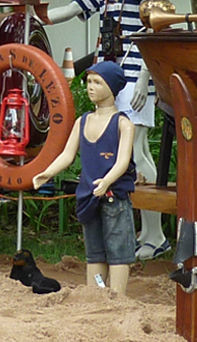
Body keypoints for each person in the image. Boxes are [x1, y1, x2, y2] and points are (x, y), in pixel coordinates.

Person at [44, 0, 171, 261]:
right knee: (126, 152)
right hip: (110, 77)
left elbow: (156, 27)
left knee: (137, 151)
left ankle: (156, 234)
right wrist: (35, 15)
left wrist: (145, 75)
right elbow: (74, 8)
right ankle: (149, 232)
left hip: (134, 76)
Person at [32, 60, 138, 296]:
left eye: (98, 82)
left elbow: (123, 162)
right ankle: (95, 294)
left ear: (112, 87)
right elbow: (67, 155)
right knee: (95, 252)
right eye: (89, 81)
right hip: (89, 197)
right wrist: (48, 172)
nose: (91, 87)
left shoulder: (123, 124)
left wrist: (107, 181)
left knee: (118, 251)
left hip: (114, 197)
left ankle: (117, 296)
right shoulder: (82, 121)